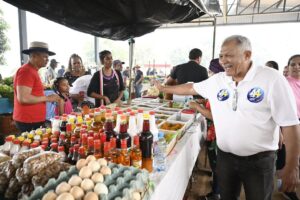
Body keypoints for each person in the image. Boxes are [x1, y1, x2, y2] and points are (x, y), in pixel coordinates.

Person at [154, 35, 300, 200]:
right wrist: (164, 88)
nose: (223, 60)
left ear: (247, 55)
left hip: (259, 161)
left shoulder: (271, 79)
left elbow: (290, 124)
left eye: (229, 55)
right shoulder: (218, 80)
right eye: (221, 56)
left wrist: (292, 166)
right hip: (226, 158)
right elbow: (190, 88)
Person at [189, 58, 224, 200]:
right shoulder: (219, 87)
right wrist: (204, 101)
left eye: (211, 71)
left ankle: (216, 193)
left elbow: (216, 115)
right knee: (216, 164)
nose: (209, 74)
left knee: (217, 165)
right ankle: (217, 187)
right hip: (214, 133)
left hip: (217, 135)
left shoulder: (222, 88)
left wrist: (198, 107)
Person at [13, 41, 60, 132]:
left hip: (32, 119)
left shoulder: (32, 70)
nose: (47, 60)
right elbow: (23, 98)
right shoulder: (26, 71)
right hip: (28, 120)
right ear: (34, 56)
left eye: (48, 57)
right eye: (45, 56)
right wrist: (47, 98)